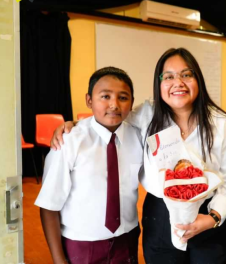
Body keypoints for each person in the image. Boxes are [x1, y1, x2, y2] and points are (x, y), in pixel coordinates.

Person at [51, 48, 226, 264]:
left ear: (198, 79)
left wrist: (213, 217)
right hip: (160, 215)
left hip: (209, 214)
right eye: (168, 76)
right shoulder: (147, 114)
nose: (178, 82)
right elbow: (111, 116)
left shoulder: (223, 124)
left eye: (186, 75)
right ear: (159, 84)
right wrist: (74, 126)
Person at [35, 67, 143, 264]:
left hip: (127, 238)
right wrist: (59, 261)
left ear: (132, 103)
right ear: (89, 100)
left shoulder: (139, 137)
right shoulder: (69, 141)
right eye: (105, 96)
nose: (114, 104)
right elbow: (49, 206)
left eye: (123, 97)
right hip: (82, 244)